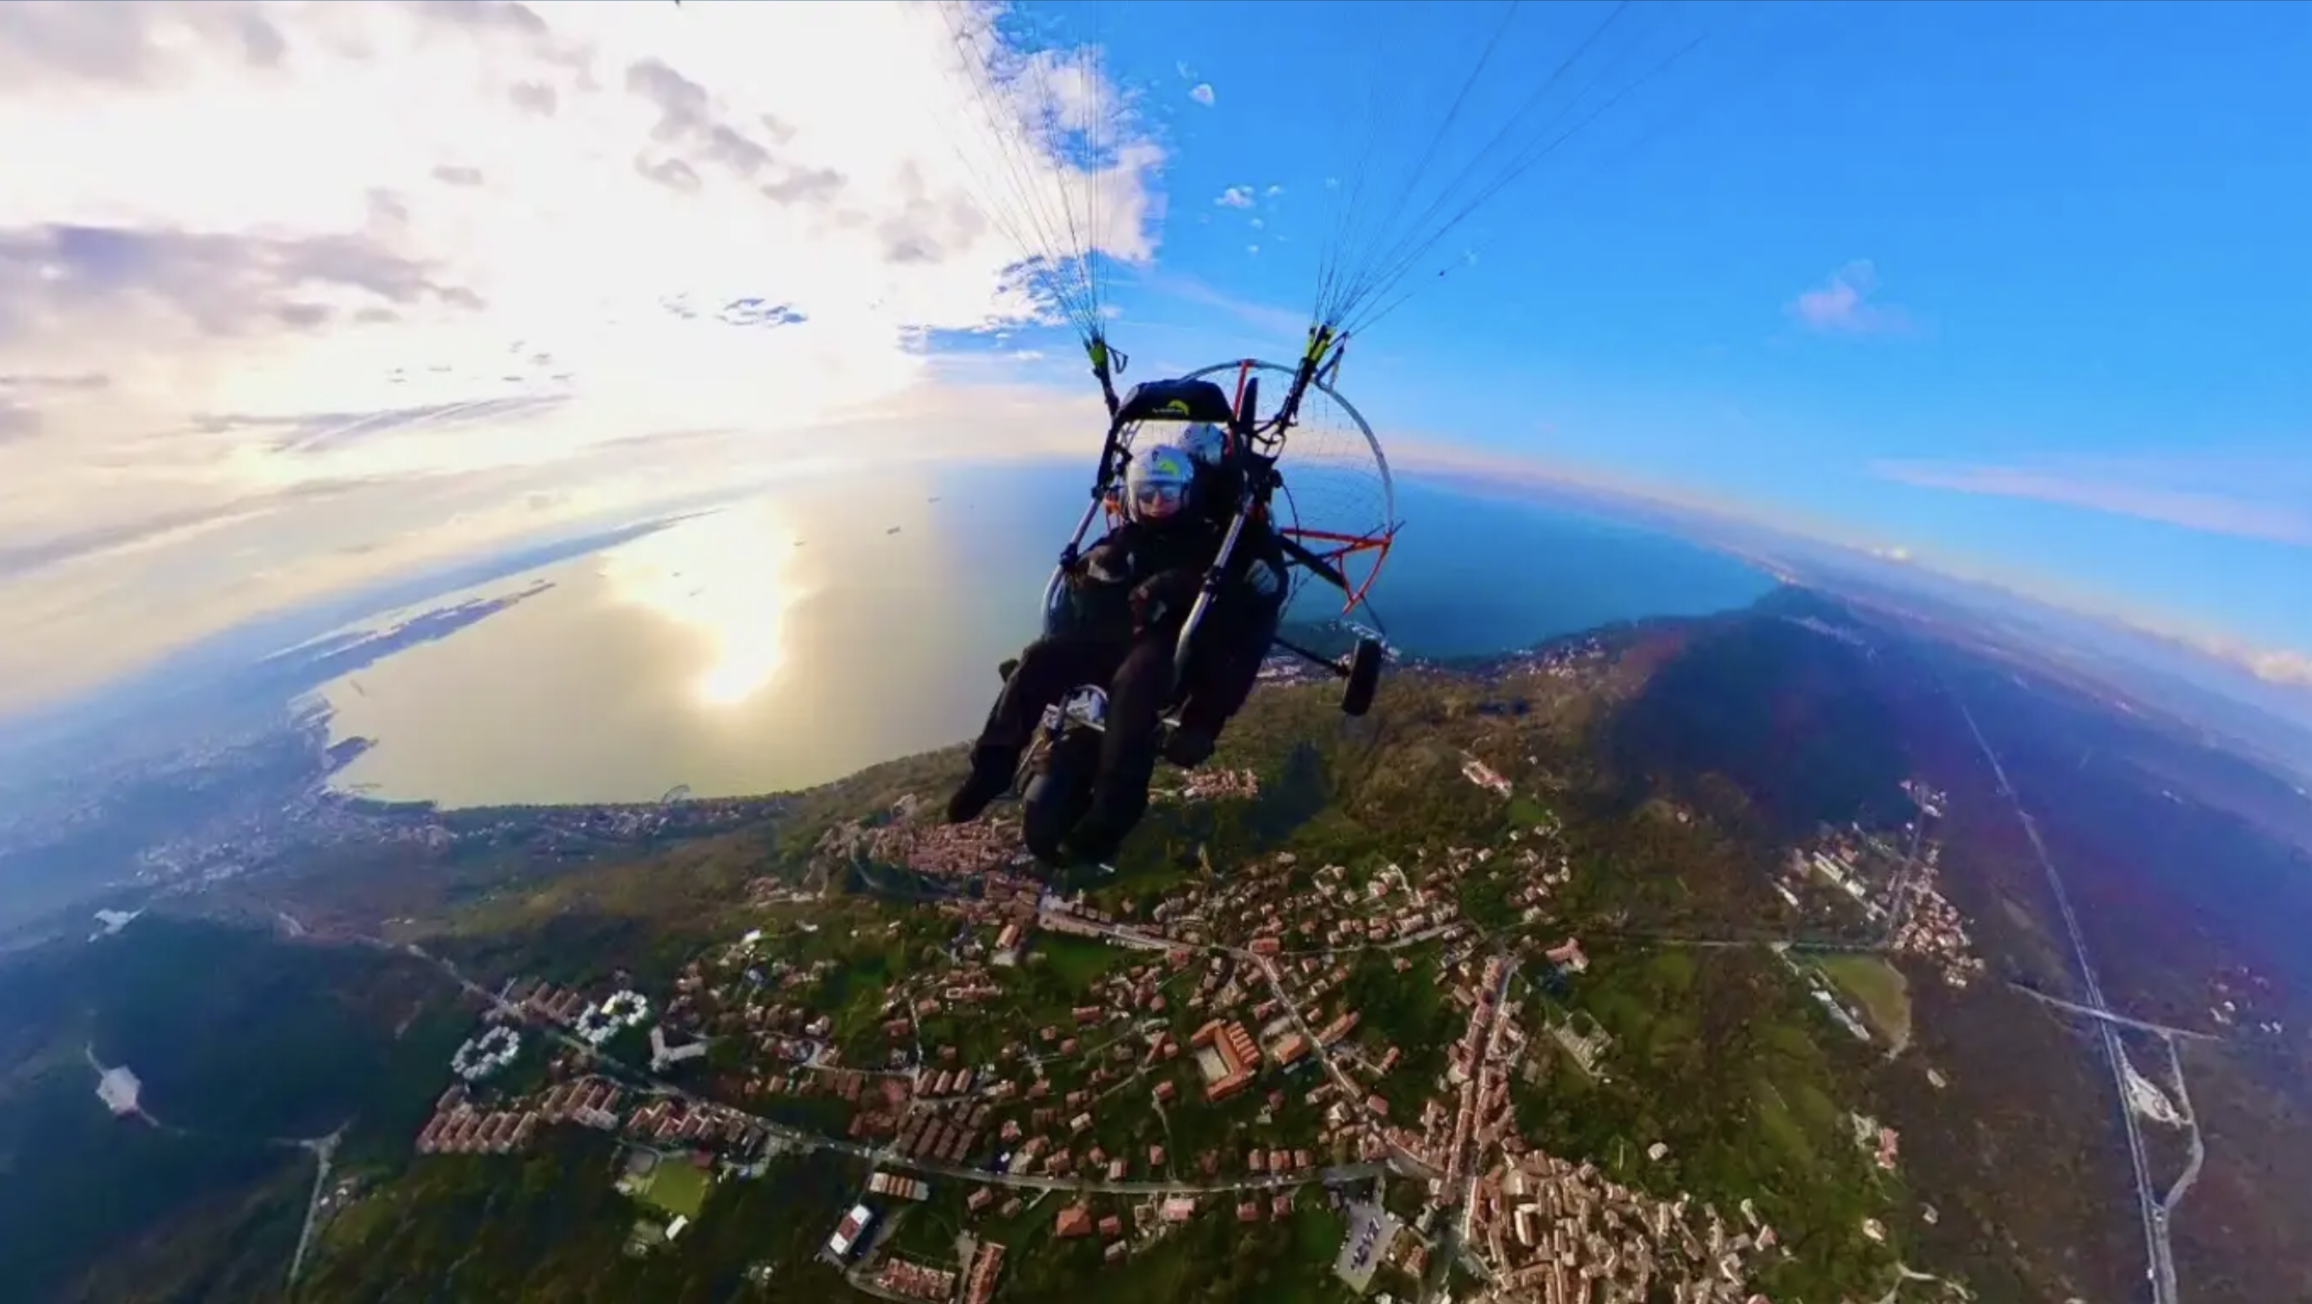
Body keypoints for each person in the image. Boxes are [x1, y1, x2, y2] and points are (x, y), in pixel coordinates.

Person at [945, 444, 1214, 863]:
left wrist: (1163, 586)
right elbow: (1094, 573)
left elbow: (1214, 585)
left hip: (1159, 646)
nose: (1157, 503)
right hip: (1107, 638)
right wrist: (1090, 569)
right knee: (1038, 658)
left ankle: (1111, 814)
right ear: (1133, 497)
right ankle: (992, 768)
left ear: (1187, 495)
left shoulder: (1203, 540)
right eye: (1147, 494)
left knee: (1131, 692)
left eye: (1167, 493)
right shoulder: (1126, 536)